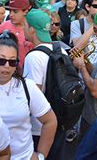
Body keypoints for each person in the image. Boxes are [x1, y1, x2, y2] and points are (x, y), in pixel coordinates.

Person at [0, 32, 57, 159]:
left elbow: (50, 121)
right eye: (1, 61)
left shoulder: (27, 87)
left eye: (12, 62)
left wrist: (41, 156)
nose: (6, 66)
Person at [23, 9, 68, 159]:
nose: (23, 29)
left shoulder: (34, 57)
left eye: (25, 25)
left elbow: (32, 94)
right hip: (59, 120)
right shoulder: (60, 49)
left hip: (39, 128)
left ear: (31, 29)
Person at [0, 0, 34, 72]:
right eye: (10, 11)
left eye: (15, 11)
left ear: (25, 11)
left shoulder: (32, 29)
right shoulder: (4, 26)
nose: (11, 15)